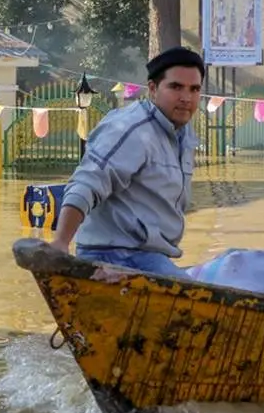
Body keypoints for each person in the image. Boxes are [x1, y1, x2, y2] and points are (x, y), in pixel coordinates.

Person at [48, 46, 203, 277]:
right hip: (114, 257)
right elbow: (87, 182)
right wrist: (60, 242)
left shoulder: (183, 135)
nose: (186, 97)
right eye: (175, 87)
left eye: (194, 89)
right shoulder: (132, 128)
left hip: (152, 258)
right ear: (153, 89)